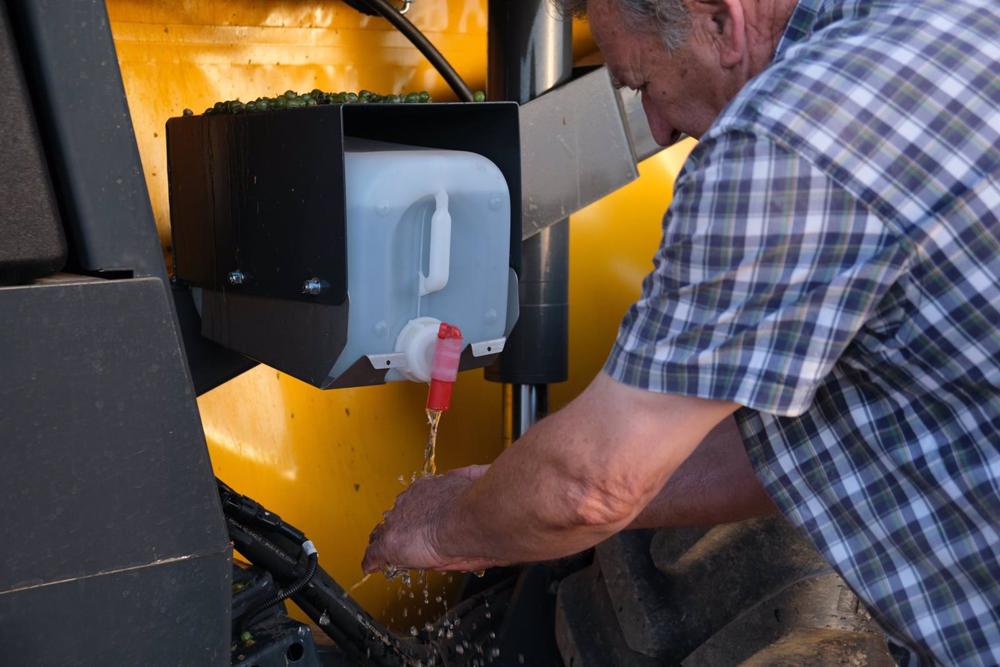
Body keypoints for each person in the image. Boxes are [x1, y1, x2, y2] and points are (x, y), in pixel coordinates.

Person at [363, 0, 1000, 663]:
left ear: (723, 24)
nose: (659, 130)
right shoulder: (953, 21)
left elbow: (592, 484)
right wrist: (514, 504)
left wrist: (443, 526)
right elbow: (790, 449)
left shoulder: (782, 139)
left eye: (642, 84)